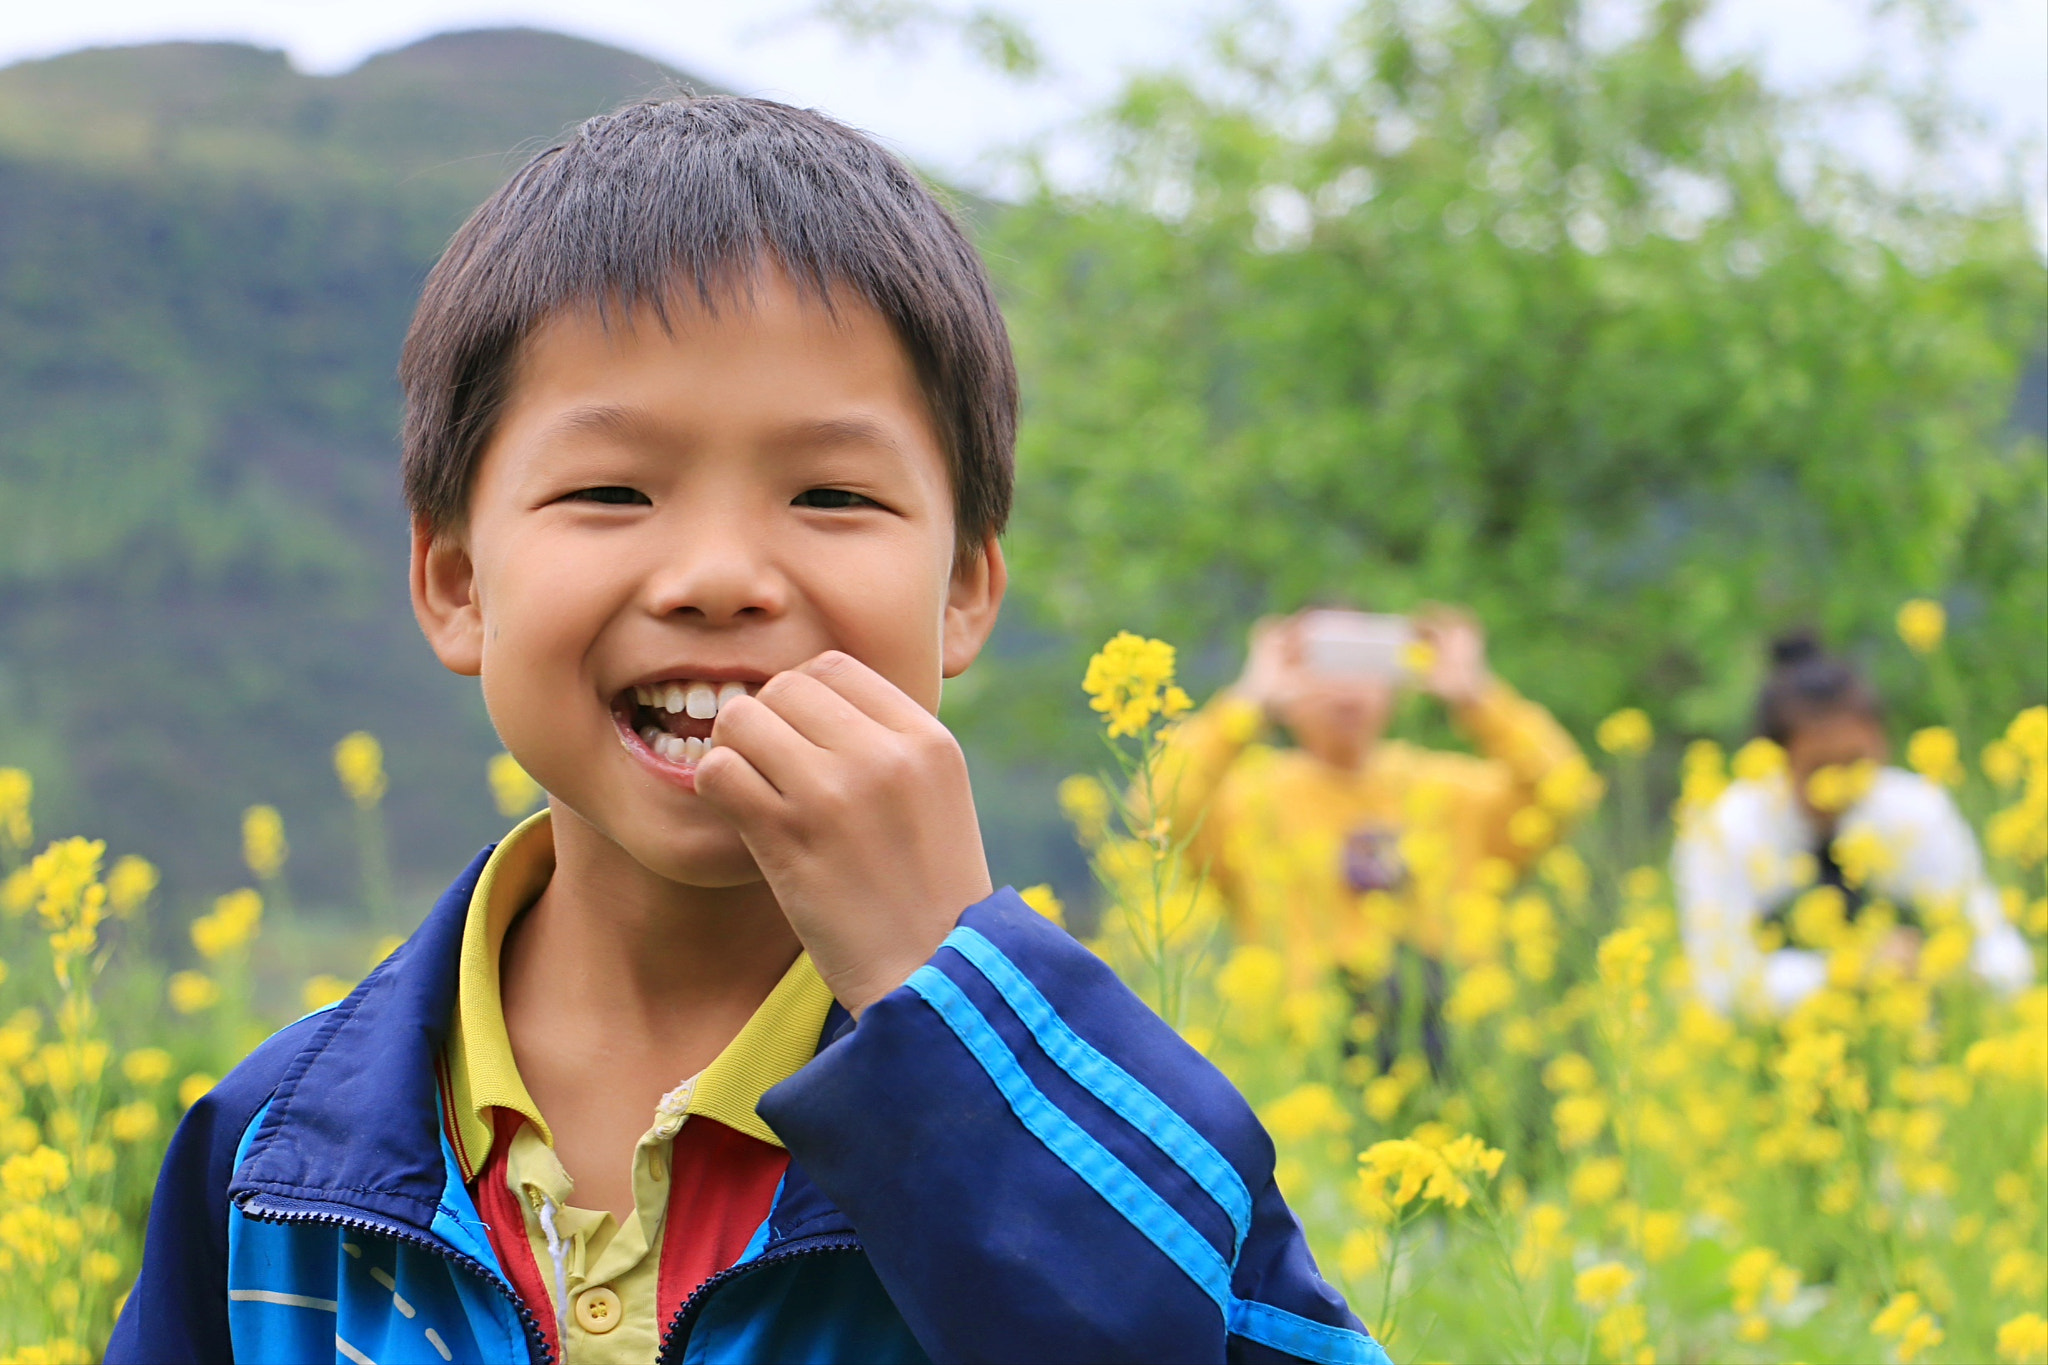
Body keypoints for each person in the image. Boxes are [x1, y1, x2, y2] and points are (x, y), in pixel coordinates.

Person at [110, 97, 1383, 1364]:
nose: (719, 575)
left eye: (830, 493)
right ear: (455, 584)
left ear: (961, 593)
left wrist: (947, 1023)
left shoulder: (1107, 1131)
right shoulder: (274, 1156)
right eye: (611, 490)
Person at [1154, 607, 1590, 1065]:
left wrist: (1477, 697)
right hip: (1312, 1057)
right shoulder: (1250, 802)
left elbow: (1568, 793)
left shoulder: (1446, 792)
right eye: (1323, 665)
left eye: (1363, 665)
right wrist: (1246, 703)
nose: (1346, 690)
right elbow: (1156, 813)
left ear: (1394, 680)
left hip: (1457, 1046)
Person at [1676, 632, 2031, 1015]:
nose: (1840, 784)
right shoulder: (1725, 831)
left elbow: (2002, 953)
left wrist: (1943, 965)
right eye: (1819, 769)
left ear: (1882, 745)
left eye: (1855, 762)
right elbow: (1720, 986)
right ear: (1774, 761)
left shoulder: (1917, 810)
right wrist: (1850, 971)